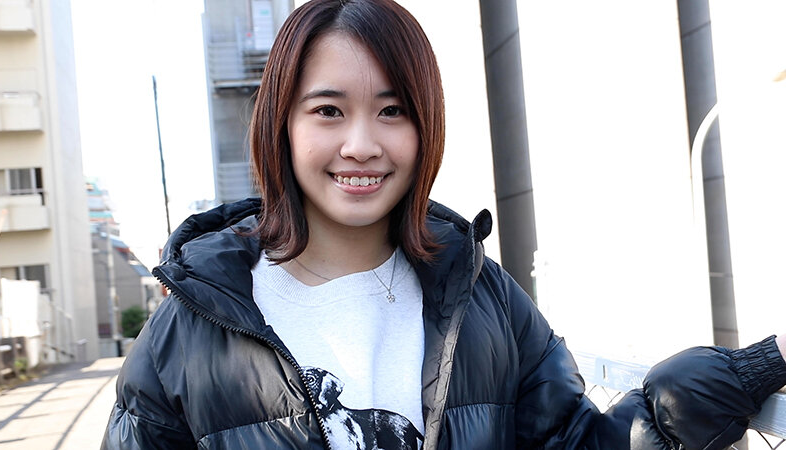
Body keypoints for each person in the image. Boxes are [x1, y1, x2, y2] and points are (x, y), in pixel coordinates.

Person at [101, 0, 786, 448]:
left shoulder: (484, 299)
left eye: (392, 111)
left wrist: (762, 364)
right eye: (329, 111)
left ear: (425, 126)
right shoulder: (192, 327)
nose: (361, 144)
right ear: (281, 125)